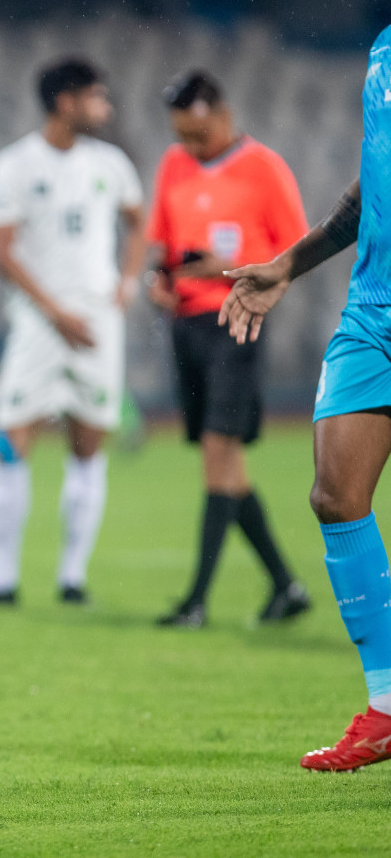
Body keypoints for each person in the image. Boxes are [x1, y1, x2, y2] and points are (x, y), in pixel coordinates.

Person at [217, 0, 391, 772]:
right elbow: (372, 186)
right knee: (334, 495)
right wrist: (289, 265)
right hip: (373, 312)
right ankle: (388, 705)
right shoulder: (385, 53)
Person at [0, 59, 146, 606]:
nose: (105, 109)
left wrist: (128, 281)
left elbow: (139, 223)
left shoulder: (111, 164)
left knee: (88, 445)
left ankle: (72, 578)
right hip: (41, 326)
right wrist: (55, 312)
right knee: (10, 441)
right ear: (66, 101)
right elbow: (2, 253)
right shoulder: (14, 165)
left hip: (96, 323)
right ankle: (1, 580)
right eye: (97, 98)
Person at [145, 70, 311, 628]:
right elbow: (162, 242)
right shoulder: (173, 164)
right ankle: (286, 587)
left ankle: (196, 601)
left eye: (197, 134)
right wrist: (159, 279)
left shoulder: (265, 167)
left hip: (235, 319)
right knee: (225, 463)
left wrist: (229, 268)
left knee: (220, 453)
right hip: (186, 324)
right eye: (182, 136)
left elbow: (294, 246)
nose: (189, 146)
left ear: (222, 113)